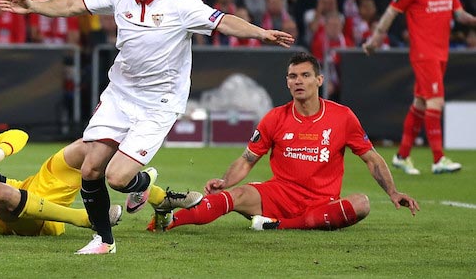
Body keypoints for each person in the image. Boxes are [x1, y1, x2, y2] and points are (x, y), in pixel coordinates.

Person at [0, 0, 294, 254]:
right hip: (120, 95)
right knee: (90, 168)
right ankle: (103, 240)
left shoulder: (182, 1)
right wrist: (33, 7)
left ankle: (143, 183)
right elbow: (71, 6)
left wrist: (260, 32)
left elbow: (223, 22)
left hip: (159, 103)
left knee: (118, 177)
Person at [147, 52, 419, 233]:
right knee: (234, 196)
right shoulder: (274, 118)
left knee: (362, 203)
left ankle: (281, 226)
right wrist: (225, 181)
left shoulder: (342, 117)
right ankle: (167, 222)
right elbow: (247, 159)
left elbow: (372, 158)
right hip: (278, 194)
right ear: (287, 83)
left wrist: (393, 192)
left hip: (321, 202)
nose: (298, 81)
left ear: (319, 80)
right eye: (292, 76)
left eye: (305, 75)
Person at [0, 129, 200, 237]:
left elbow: (19, 135)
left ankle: (161, 199)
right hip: (22, 222)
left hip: (37, 188)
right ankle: (87, 219)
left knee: (89, 146)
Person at [363, 0, 476, 175]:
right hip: (423, 53)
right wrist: (376, 38)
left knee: (421, 104)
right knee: (436, 101)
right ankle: (438, 159)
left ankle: (402, 156)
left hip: (441, 52)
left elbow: (460, 15)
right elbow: (391, 12)